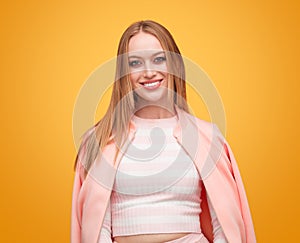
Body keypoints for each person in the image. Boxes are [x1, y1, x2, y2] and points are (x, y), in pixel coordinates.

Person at [71, 20, 256, 243]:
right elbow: (97, 228)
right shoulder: (99, 140)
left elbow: (224, 225)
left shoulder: (207, 137)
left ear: (174, 65)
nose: (149, 72)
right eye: (135, 62)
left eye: (159, 59)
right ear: (123, 73)